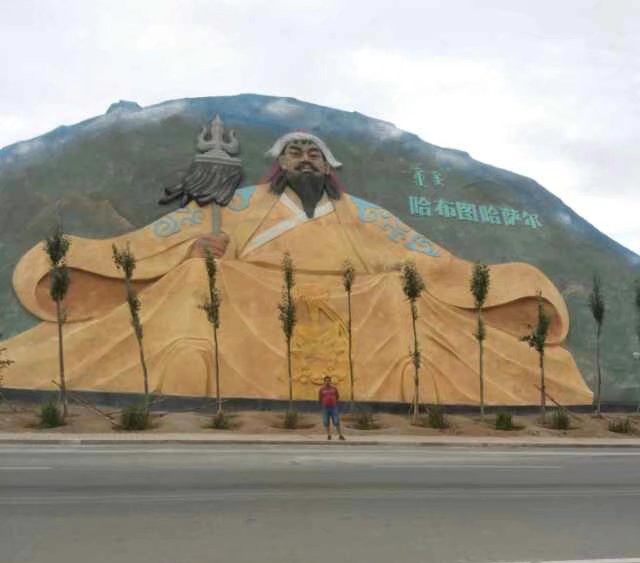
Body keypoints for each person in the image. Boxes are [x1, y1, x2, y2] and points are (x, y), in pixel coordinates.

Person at [0, 130, 592, 406]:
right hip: (251, 300)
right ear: (278, 164)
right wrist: (194, 249)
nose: (304, 159)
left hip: (355, 305)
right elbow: (153, 242)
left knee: (400, 294)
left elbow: (426, 260)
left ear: (328, 166)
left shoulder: (365, 215)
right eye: (294, 152)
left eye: (313, 153)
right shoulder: (234, 205)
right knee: (199, 279)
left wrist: (508, 283)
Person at [319, 376, 345, 440]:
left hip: (333, 407)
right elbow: (320, 398)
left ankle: (340, 435)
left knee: (336, 421)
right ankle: (329, 435)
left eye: (328, 381)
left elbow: (337, 396)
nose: (327, 382)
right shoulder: (321, 389)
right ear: (324, 382)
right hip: (325, 407)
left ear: (330, 381)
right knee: (326, 422)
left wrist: (334, 401)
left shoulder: (334, 388)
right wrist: (323, 404)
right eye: (326, 381)